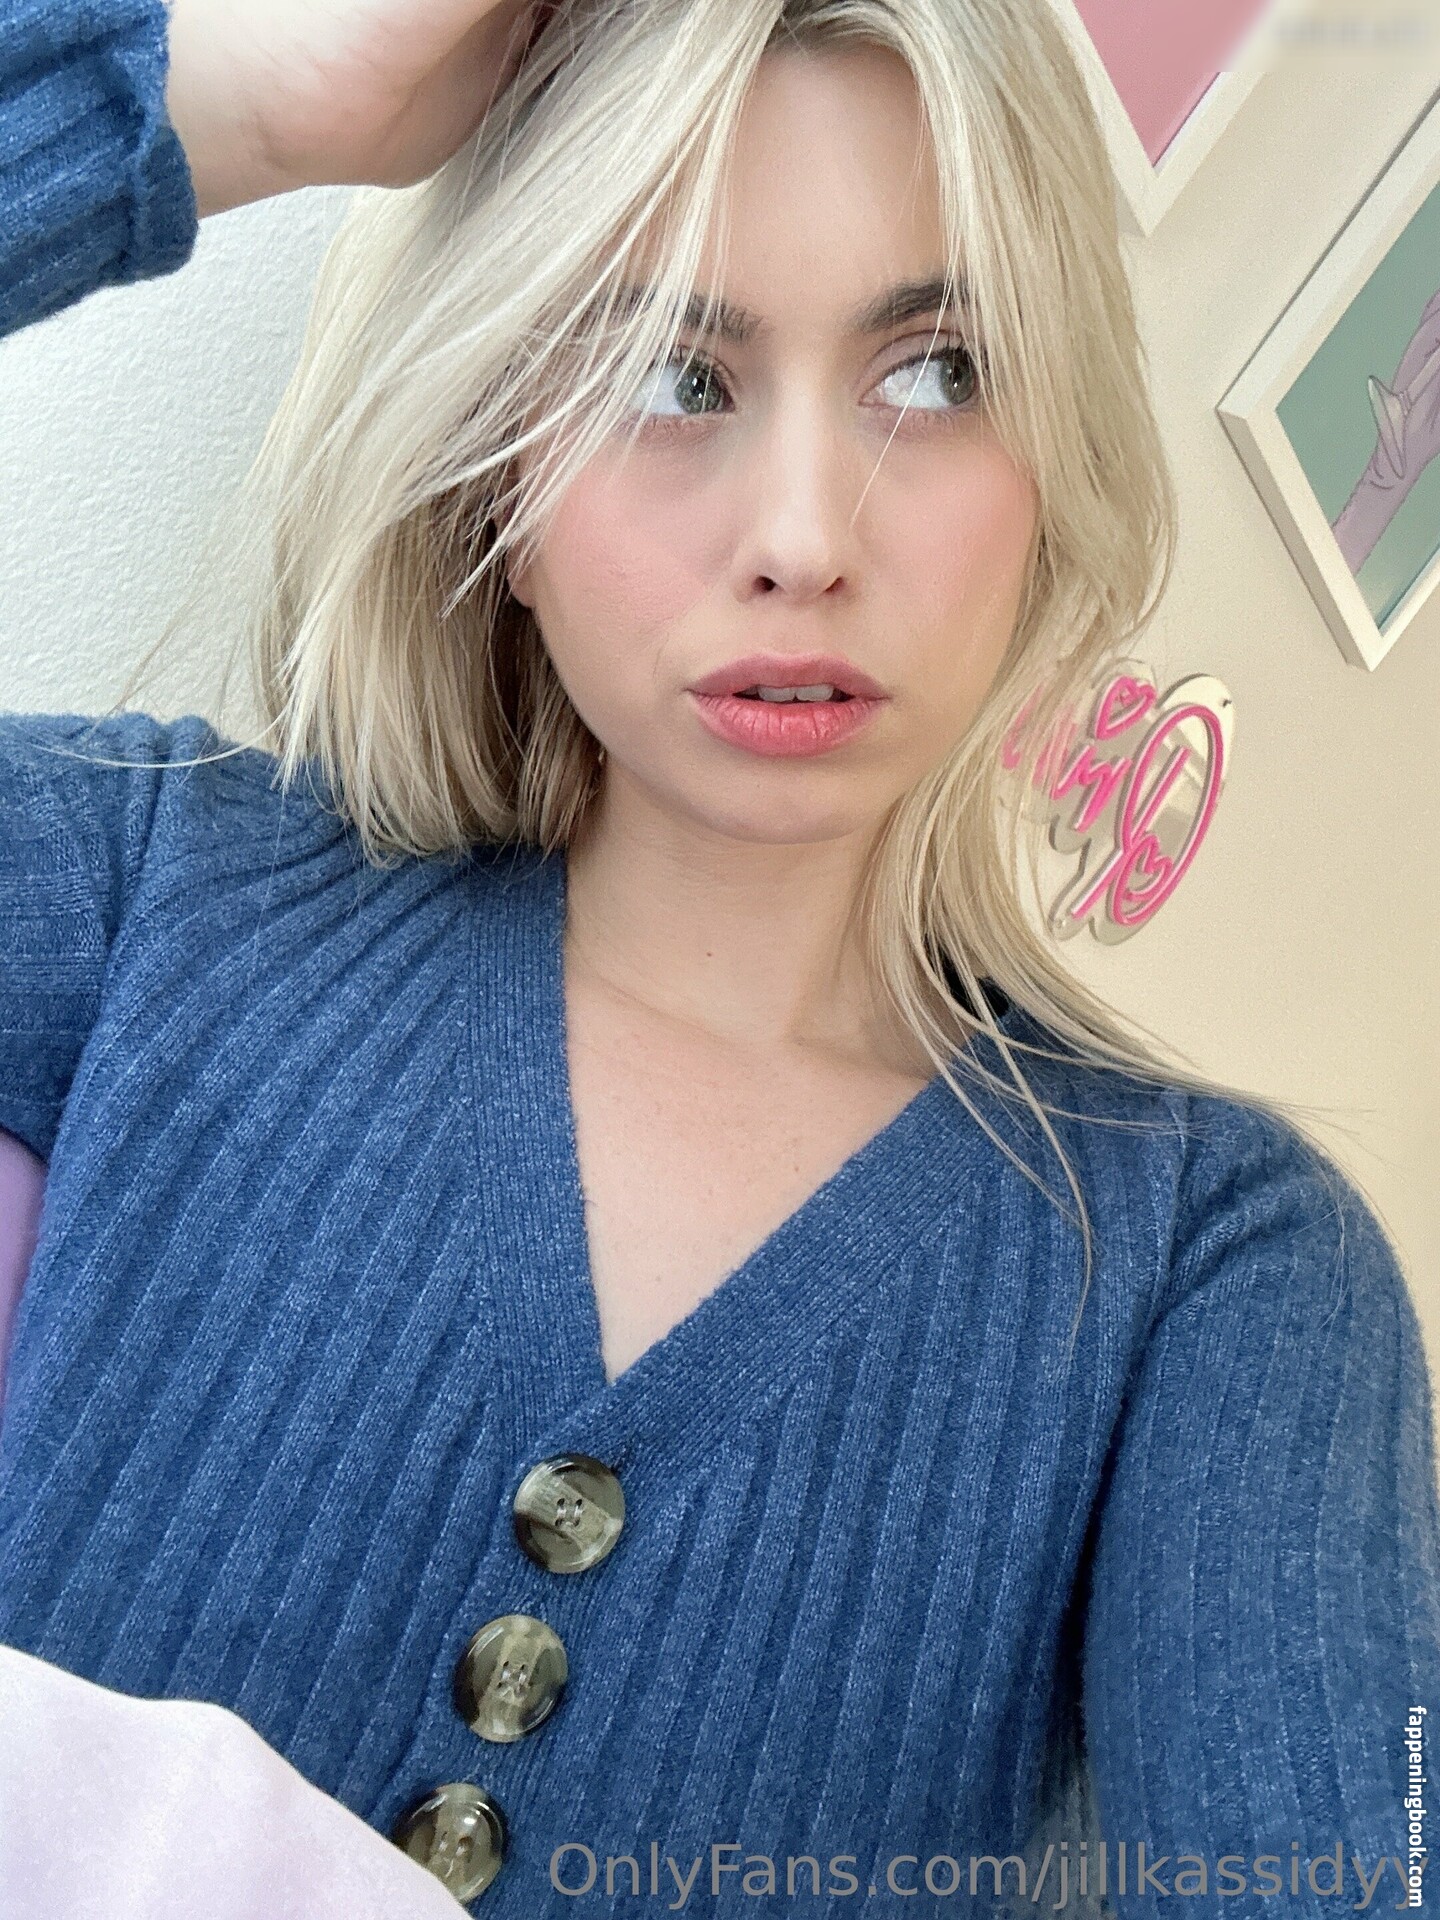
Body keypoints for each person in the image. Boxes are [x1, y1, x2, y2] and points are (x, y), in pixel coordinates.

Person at [0, 2, 1436, 1915]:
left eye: (938, 372)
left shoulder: (1215, 1273)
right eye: (674, 375)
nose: (803, 537)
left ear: (1049, 473)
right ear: (498, 474)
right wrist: (212, 103)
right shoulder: (144, 883)